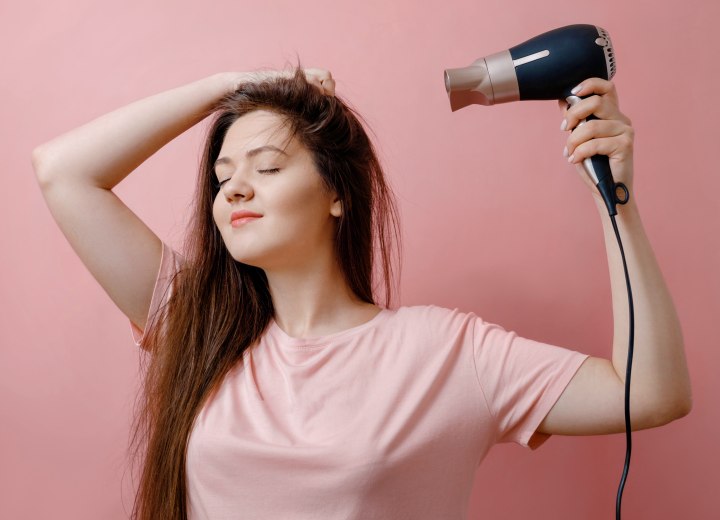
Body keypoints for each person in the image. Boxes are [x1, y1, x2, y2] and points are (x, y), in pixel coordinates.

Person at [32, 66, 691, 520]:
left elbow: (650, 395)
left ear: (339, 195)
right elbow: (64, 172)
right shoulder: (199, 330)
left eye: (266, 167)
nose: (233, 189)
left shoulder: (447, 352)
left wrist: (617, 204)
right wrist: (230, 89)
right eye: (222, 176)